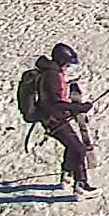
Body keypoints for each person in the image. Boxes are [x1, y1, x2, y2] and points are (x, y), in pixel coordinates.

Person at [24, 43, 94, 191]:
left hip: (53, 117)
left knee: (72, 145)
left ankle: (67, 176)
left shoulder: (51, 72)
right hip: (52, 118)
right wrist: (78, 108)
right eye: (67, 64)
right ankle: (81, 185)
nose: (67, 67)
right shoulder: (51, 76)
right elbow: (54, 103)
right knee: (79, 149)